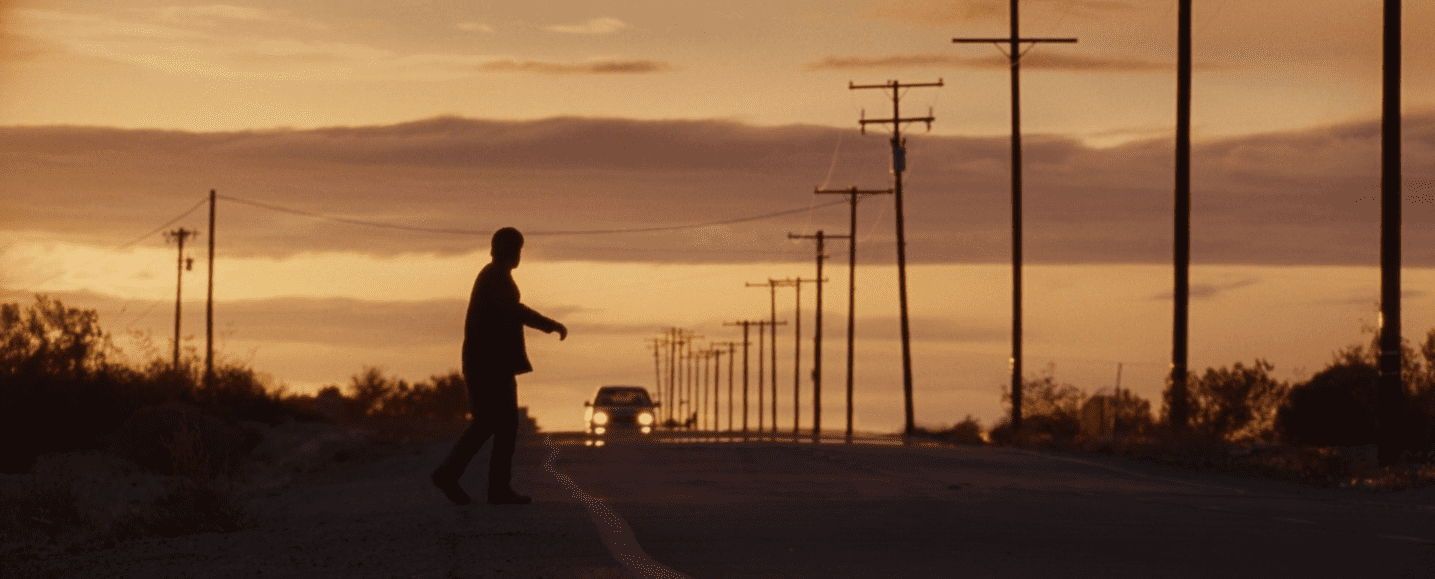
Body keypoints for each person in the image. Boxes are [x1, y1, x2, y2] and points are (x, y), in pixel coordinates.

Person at [431, 227, 566, 505]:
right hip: (489, 365)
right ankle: (462, 478)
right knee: (498, 424)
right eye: (515, 249)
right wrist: (549, 325)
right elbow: (515, 311)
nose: (518, 255)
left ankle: (478, 483)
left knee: (495, 424)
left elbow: (512, 311)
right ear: (504, 250)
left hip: (490, 363)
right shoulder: (495, 278)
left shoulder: (497, 277)